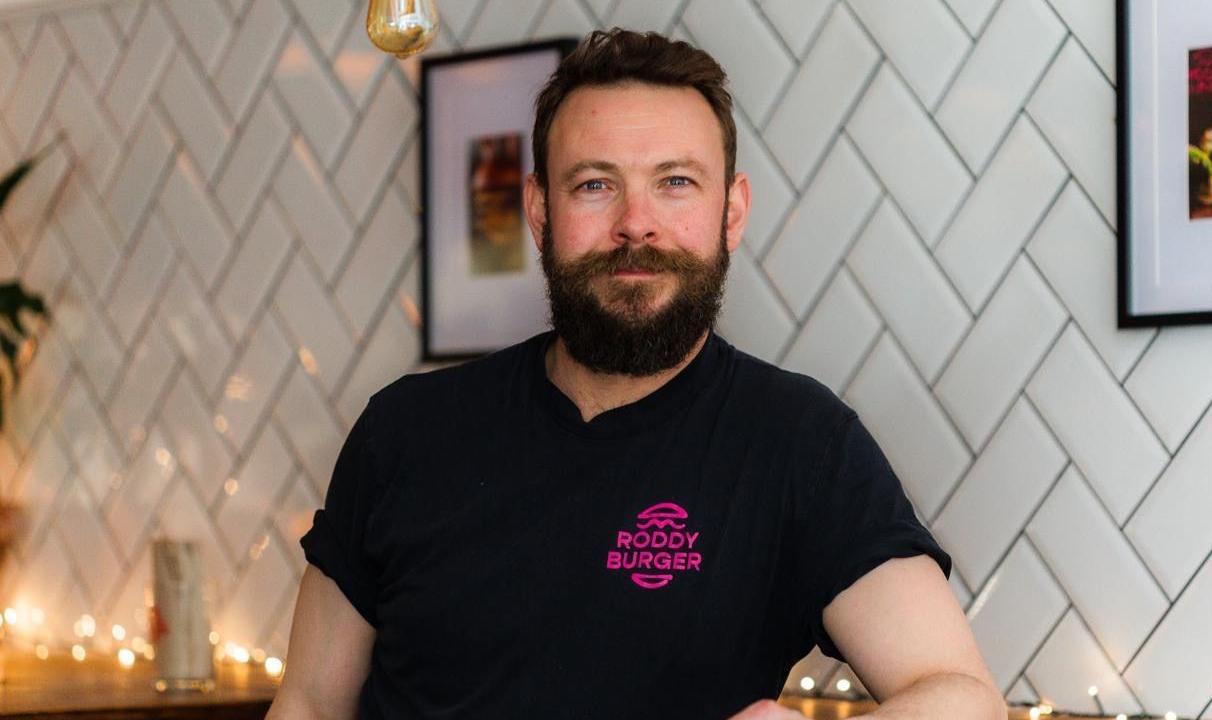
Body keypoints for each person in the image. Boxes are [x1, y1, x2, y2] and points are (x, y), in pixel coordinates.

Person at [267, 28, 1005, 720]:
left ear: (732, 212)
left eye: (676, 182)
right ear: (538, 211)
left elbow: (961, 696)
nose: (636, 223)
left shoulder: (800, 444)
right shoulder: (405, 433)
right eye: (594, 185)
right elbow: (306, 704)